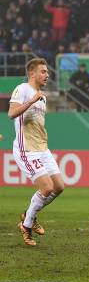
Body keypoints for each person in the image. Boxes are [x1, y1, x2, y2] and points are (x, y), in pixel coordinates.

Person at [9, 58, 65, 246]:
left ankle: (28, 216)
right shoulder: (22, 89)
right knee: (46, 187)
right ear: (31, 73)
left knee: (58, 187)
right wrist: (32, 100)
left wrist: (37, 99)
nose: (47, 75)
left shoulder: (43, 96)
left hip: (42, 148)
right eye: (43, 71)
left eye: (47, 72)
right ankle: (27, 225)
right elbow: (11, 113)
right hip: (27, 149)